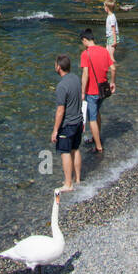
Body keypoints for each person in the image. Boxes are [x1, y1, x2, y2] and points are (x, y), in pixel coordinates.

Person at [79, 28, 116, 154]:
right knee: (97, 112)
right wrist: (112, 82)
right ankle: (96, 136)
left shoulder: (85, 54)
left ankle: (98, 146)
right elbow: (113, 68)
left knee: (92, 119)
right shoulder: (104, 51)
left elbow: (85, 75)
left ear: (85, 40)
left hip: (92, 91)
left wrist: (82, 92)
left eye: (82, 41)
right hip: (103, 90)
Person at [52, 55, 83, 190]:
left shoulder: (61, 86)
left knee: (65, 152)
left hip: (68, 124)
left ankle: (68, 183)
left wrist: (55, 130)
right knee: (75, 150)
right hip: (78, 121)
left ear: (59, 67)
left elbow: (60, 111)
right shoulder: (76, 78)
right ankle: (77, 179)